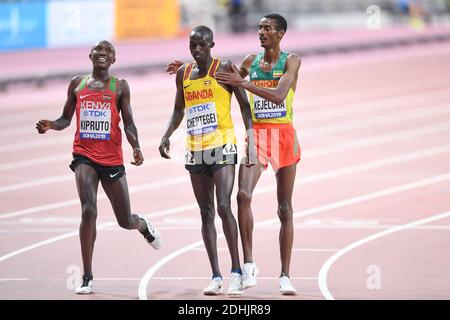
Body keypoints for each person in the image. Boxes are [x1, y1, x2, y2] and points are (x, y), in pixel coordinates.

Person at [166, 13, 300, 295]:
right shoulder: (250, 61)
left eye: (268, 28)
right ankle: (248, 264)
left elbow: (277, 95)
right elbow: (222, 79)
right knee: (242, 195)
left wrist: (244, 84)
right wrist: (190, 68)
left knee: (284, 208)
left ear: (281, 33)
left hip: (284, 135)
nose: (261, 32)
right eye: (260, 27)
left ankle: (285, 275)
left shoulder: (291, 60)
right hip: (259, 136)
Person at [36, 40, 161, 295]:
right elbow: (65, 119)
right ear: (90, 55)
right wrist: (51, 124)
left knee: (125, 221)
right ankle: (87, 276)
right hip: (84, 156)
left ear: (113, 60)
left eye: (108, 52)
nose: (102, 54)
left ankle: (143, 225)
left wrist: (136, 147)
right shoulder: (77, 84)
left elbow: (129, 124)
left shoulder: (120, 87)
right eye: (99, 50)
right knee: (88, 210)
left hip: (112, 159)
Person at [159, 26, 255, 296]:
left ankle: (237, 272)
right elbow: (179, 109)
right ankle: (216, 276)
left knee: (224, 206)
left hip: (222, 146)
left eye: (201, 44)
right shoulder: (184, 73)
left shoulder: (224, 67)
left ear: (212, 44)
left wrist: (250, 138)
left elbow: (244, 105)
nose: (196, 49)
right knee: (206, 213)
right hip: (195, 149)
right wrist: (166, 135)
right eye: (192, 44)